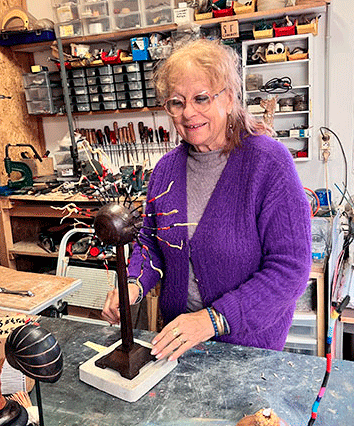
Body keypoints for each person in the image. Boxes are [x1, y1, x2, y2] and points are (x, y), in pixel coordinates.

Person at [102, 38, 312, 362]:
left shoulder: (268, 163)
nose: (189, 113)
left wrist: (212, 320)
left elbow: (291, 269)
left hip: (248, 347)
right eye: (176, 102)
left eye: (201, 98)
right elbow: (152, 243)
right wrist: (134, 283)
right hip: (177, 342)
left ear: (228, 98)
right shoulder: (164, 170)